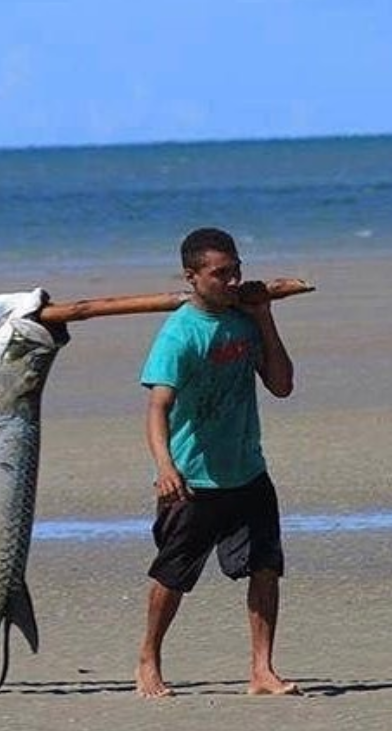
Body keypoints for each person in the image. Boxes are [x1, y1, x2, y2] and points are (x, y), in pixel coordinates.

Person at [134, 226, 299, 698]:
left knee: (266, 567)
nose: (232, 282)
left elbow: (283, 385)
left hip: (247, 469)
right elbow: (157, 408)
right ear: (193, 277)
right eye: (220, 274)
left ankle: (262, 671)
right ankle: (148, 659)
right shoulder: (178, 335)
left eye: (237, 272)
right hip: (193, 479)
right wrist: (166, 467)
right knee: (173, 576)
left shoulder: (245, 321)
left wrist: (263, 315)